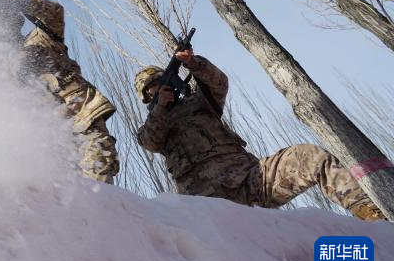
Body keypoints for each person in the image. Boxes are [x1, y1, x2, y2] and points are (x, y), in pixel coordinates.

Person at [135, 50, 385, 221]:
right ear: (148, 97)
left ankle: (372, 216)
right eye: (153, 88)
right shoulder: (152, 126)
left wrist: (194, 63)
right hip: (210, 205)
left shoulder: (199, 103)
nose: (160, 87)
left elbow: (219, 83)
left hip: (251, 180)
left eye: (161, 81)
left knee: (309, 156)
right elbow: (150, 141)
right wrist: (160, 110)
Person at [0, 0, 119, 184]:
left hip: (82, 121)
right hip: (51, 149)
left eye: (6, 21)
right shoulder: (2, 73)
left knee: (99, 187)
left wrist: (20, 2)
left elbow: (55, 12)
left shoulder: (41, 39)